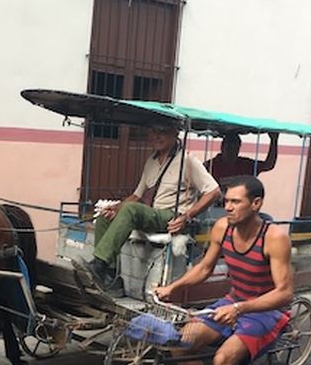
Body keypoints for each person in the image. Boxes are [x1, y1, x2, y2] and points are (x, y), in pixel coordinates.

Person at [154, 175, 294, 365]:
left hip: (266, 312)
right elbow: (205, 267)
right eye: (226, 201)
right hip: (232, 303)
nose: (227, 207)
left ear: (256, 204)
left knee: (223, 358)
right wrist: (173, 288)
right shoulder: (223, 228)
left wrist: (240, 307)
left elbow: (284, 292)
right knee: (179, 342)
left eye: (235, 202)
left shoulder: (275, 238)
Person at [75, 125, 221, 297]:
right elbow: (136, 196)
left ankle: (99, 264)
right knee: (104, 218)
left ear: (175, 133)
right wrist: (114, 207)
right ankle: (110, 277)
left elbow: (214, 192)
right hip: (152, 214)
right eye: (155, 132)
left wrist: (187, 216)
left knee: (131, 210)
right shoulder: (151, 161)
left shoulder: (188, 161)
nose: (157, 137)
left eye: (163, 132)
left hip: (171, 216)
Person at [207, 131, 279, 185]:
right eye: (228, 147)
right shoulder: (209, 166)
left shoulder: (246, 165)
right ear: (222, 147)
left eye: (234, 147)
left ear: (239, 148)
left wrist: (274, 140)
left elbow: (268, 165)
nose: (231, 151)